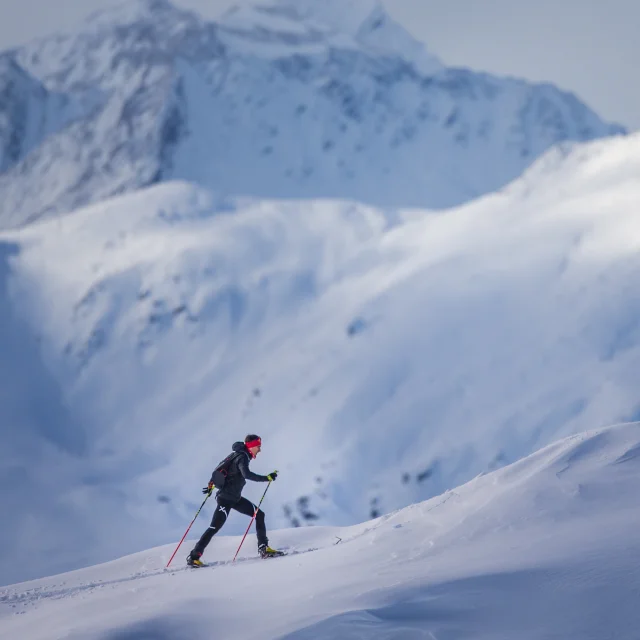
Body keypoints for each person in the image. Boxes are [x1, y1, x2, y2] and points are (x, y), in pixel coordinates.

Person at [187, 434, 280, 567]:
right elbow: (246, 474)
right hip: (226, 499)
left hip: (234, 498)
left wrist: (211, 484)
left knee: (259, 514)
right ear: (252, 446)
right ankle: (194, 557)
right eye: (258, 446)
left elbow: (220, 469)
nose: (259, 450)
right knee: (214, 527)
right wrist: (267, 478)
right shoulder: (242, 457)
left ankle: (263, 548)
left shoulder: (236, 454)